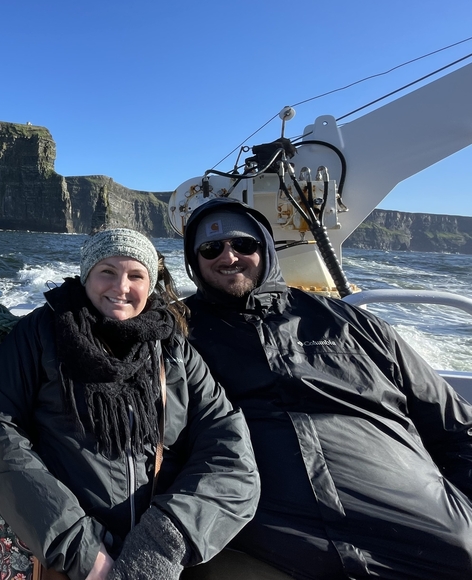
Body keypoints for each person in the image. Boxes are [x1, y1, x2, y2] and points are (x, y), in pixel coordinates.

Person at [180, 198, 472, 579]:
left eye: (244, 245)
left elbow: (456, 428)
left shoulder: (353, 324)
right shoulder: (179, 333)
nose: (229, 256)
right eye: (211, 248)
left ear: (265, 248)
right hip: (275, 541)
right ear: (194, 260)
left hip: (421, 529)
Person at [0, 228, 259, 580]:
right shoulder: (42, 332)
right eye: (107, 271)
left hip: (154, 557)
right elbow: (0, 435)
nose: (121, 287)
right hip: (61, 554)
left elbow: (227, 445)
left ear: (150, 283)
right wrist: (84, 552)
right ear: (86, 275)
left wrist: (163, 542)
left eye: (136, 275)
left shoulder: (172, 348)